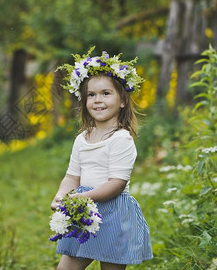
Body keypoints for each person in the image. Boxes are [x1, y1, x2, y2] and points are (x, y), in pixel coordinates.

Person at [51, 48, 153, 270]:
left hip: (113, 213)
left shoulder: (121, 139)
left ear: (123, 100)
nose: (98, 100)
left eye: (106, 93)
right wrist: (61, 196)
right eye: (91, 94)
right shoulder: (81, 139)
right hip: (83, 214)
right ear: (84, 99)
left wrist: (81, 197)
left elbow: (117, 184)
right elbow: (72, 175)